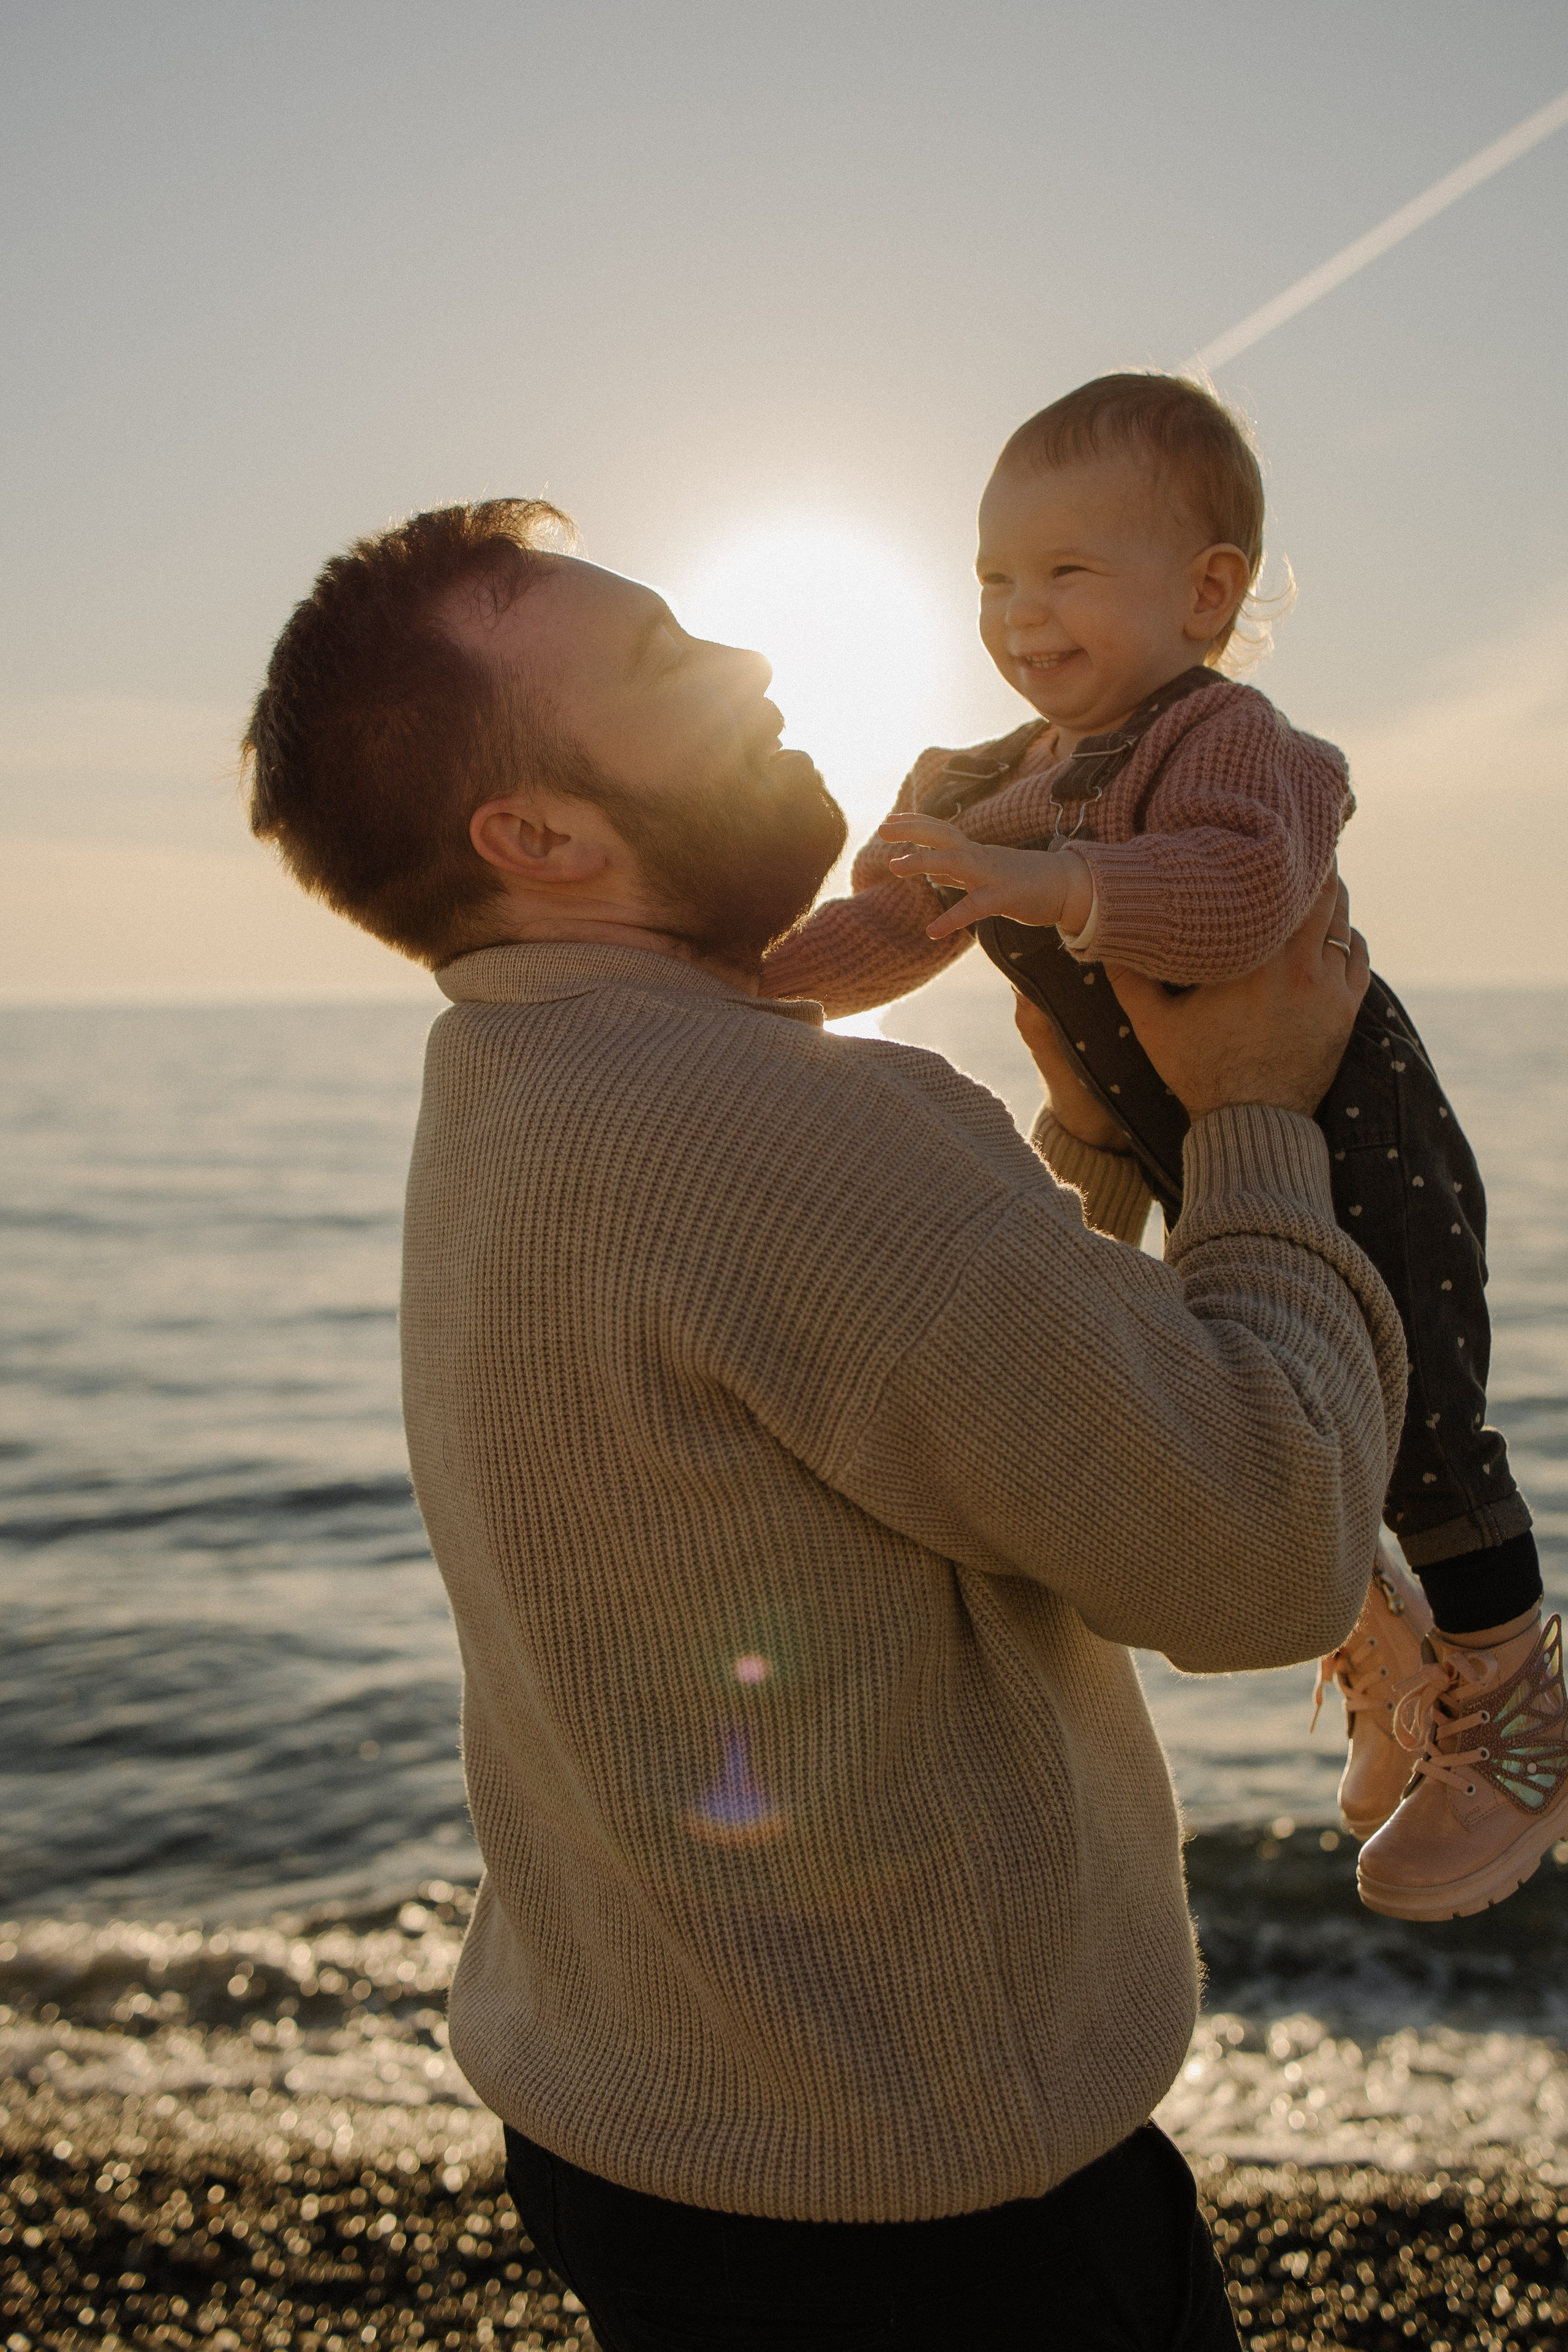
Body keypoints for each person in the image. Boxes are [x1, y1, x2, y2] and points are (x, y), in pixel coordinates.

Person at [244, 497, 1403, 2351]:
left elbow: (899, 1421)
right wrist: (1261, 1116)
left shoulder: (512, 1076)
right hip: (930, 2218)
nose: (752, 664)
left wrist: (1076, 1178)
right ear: (536, 836)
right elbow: (1264, 1549)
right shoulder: (773, 1126)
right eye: (661, 668)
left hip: (654, 2128)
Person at [762, 374, 1562, 1925]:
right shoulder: (980, 785)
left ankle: (1517, 1708)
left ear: (1205, 594)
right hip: (1181, 1138)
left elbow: (1238, 897)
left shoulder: (1231, 742)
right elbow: (885, 926)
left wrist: (1044, 880)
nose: (1017, 609)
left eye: (1066, 570)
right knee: (1220, 1395)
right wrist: (739, 984)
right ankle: (1381, 1648)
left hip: (1344, 1121)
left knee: (1420, 1428)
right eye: (993, 575)